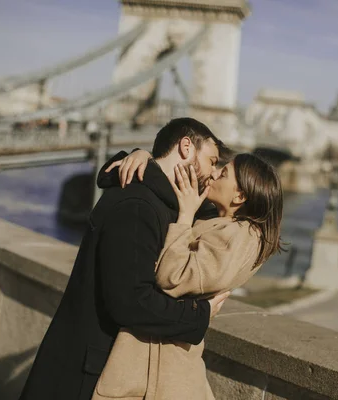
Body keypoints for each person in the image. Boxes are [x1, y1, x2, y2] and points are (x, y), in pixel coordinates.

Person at [19, 118, 231, 400]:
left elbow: (212, 213)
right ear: (186, 147)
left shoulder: (162, 203)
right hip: (87, 373)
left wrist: (143, 155)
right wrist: (199, 315)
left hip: (99, 365)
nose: (213, 172)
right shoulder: (138, 207)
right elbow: (131, 302)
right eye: (211, 160)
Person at [92, 149, 284, 400]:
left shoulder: (237, 239)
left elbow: (173, 278)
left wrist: (184, 217)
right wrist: (146, 157)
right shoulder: (223, 224)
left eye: (223, 173)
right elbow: (175, 187)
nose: (214, 174)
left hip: (162, 369)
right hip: (161, 359)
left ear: (239, 195)